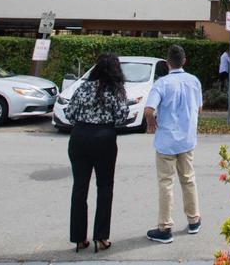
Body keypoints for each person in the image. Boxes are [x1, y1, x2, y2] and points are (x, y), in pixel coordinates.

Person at [64, 53, 129, 253]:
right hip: (104, 138)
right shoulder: (115, 90)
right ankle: (101, 237)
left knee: (79, 188)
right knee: (105, 186)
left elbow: (69, 113)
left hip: (80, 137)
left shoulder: (83, 87)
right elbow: (121, 116)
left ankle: (78, 238)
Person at [144, 44, 203, 244]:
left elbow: (148, 109)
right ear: (184, 61)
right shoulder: (194, 81)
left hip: (166, 141)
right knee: (188, 179)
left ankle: (165, 227)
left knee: (166, 182)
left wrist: (152, 124)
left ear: (167, 62)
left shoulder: (162, 83)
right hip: (187, 139)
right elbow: (199, 108)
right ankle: (194, 220)